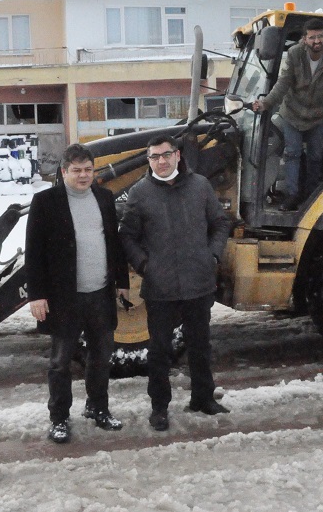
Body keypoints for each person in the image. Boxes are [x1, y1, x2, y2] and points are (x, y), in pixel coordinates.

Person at [119, 135, 232, 431]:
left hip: (198, 281)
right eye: (154, 156)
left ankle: (203, 398)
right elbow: (127, 236)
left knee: (200, 345)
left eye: (166, 154)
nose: (161, 161)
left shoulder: (200, 187)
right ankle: (159, 407)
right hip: (161, 287)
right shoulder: (140, 193)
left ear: (178, 155)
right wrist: (145, 265)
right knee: (159, 351)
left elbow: (220, 222)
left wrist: (212, 256)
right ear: (149, 160)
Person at [25, 143, 130, 444]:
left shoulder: (105, 197)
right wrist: (37, 296)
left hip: (99, 294)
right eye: (77, 170)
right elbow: (34, 252)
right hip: (64, 298)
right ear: (64, 172)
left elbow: (114, 243)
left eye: (88, 170)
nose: (83, 176)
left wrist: (121, 281)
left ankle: (98, 408)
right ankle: (59, 418)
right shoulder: (46, 202)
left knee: (101, 357)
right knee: (60, 362)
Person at [251, 18, 323, 210]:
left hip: (317, 116)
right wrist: (266, 103)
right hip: (292, 114)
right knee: (293, 153)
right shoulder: (295, 55)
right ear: (305, 39)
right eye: (312, 37)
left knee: (315, 156)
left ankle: (312, 196)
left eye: (320, 36)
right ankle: (292, 196)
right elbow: (283, 83)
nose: (317, 41)